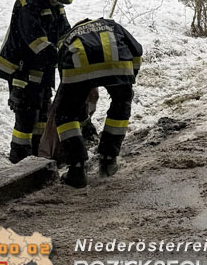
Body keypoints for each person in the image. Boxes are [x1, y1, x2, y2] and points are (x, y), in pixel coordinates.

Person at [0, 0, 78, 163]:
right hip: (23, 68)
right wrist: (62, 57)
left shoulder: (56, 4)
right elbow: (36, 43)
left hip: (43, 69)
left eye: (61, 2)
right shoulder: (28, 3)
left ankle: (37, 157)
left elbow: (64, 32)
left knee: (42, 113)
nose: (58, 3)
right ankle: (19, 158)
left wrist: (72, 48)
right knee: (26, 115)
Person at [54, 18, 143, 187]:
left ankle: (76, 169)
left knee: (66, 114)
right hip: (118, 65)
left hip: (79, 68)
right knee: (120, 106)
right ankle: (108, 160)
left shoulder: (69, 36)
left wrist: (78, 109)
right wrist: (129, 81)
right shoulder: (112, 25)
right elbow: (137, 50)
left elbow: (65, 79)